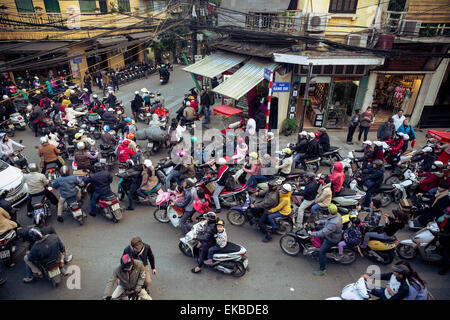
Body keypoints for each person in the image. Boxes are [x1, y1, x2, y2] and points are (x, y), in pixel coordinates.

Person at [308, 204, 342, 276]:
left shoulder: (334, 223)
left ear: (330, 211)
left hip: (331, 239)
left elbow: (323, 233)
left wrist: (312, 234)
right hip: (331, 233)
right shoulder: (337, 214)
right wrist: (320, 221)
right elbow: (328, 220)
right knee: (317, 227)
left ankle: (322, 270)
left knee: (321, 252)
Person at [436, 209, 450, 275]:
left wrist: (441, 234)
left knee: (446, 255)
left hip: (448, 242)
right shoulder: (446, 220)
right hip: (444, 241)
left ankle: (444, 269)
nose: (445, 215)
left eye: (447, 214)